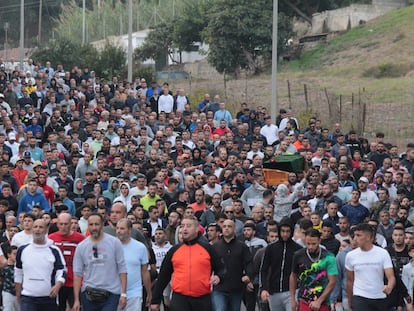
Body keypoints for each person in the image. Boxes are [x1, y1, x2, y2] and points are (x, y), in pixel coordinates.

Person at [150, 217, 225, 311]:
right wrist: (155, 300)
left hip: (202, 299)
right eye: (182, 226)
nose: (184, 228)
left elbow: (221, 269)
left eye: (188, 226)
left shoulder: (208, 249)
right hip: (180, 299)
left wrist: (218, 277)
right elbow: (163, 276)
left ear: (197, 229)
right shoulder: (174, 250)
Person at [73, 213, 127, 311]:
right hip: (89, 293)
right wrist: (76, 299)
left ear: (102, 224)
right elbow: (77, 274)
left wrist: (123, 293)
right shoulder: (81, 246)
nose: (94, 228)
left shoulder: (114, 242)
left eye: (97, 224)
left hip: (111, 292)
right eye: (91, 224)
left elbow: (122, 269)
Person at [15, 219, 66, 311]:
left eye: (41, 227)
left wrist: (58, 285)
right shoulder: (22, 250)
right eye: (35, 227)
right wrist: (18, 292)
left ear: (46, 230)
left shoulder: (54, 250)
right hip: (28, 297)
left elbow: (61, 270)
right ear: (32, 229)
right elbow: (18, 272)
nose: (37, 229)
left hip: (48, 297)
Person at [345, 223, 395, 311]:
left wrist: (389, 286)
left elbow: (391, 276)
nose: (355, 238)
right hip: (360, 296)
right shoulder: (350, 256)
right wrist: (350, 303)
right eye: (354, 235)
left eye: (358, 235)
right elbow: (350, 281)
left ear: (368, 237)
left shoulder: (382, 253)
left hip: (379, 296)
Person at [289, 228, 338, 311]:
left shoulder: (329, 257)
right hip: (304, 299)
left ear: (319, 241)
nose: (310, 246)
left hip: (323, 302)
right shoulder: (298, 255)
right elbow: (293, 276)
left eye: (313, 244)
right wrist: (292, 299)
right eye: (308, 243)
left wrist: (319, 301)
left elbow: (332, 281)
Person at [260, 217, 302, 311]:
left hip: (291, 292)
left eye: (288, 231)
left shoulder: (298, 249)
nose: (285, 234)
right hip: (273, 292)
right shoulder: (271, 248)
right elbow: (264, 269)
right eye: (283, 231)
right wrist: (263, 288)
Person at [211, 219, 253, 311]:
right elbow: (209, 265)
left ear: (234, 229)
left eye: (229, 226)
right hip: (219, 287)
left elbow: (249, 262)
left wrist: (248, 275)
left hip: (236, 288)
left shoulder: (242, 246)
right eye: (224, 226)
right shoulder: (215, 247)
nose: (226, 229)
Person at [48, 213, 85, 311]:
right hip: (57, 281)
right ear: (57, 224)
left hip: (75, 281)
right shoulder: (50, 239)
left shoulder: (80, 239)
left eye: (66, 224)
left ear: (71, 224)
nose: (63, 227)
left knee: (75, 307)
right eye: (61, 224)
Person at [116, 218, 152, 311]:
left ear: (130, 230)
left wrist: (149, 293)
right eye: (117, 228)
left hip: (134, 293)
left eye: (122, 228)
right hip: (114, 292)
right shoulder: (111, 246)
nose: (119, 231)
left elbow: (145, 272)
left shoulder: (140, 247)